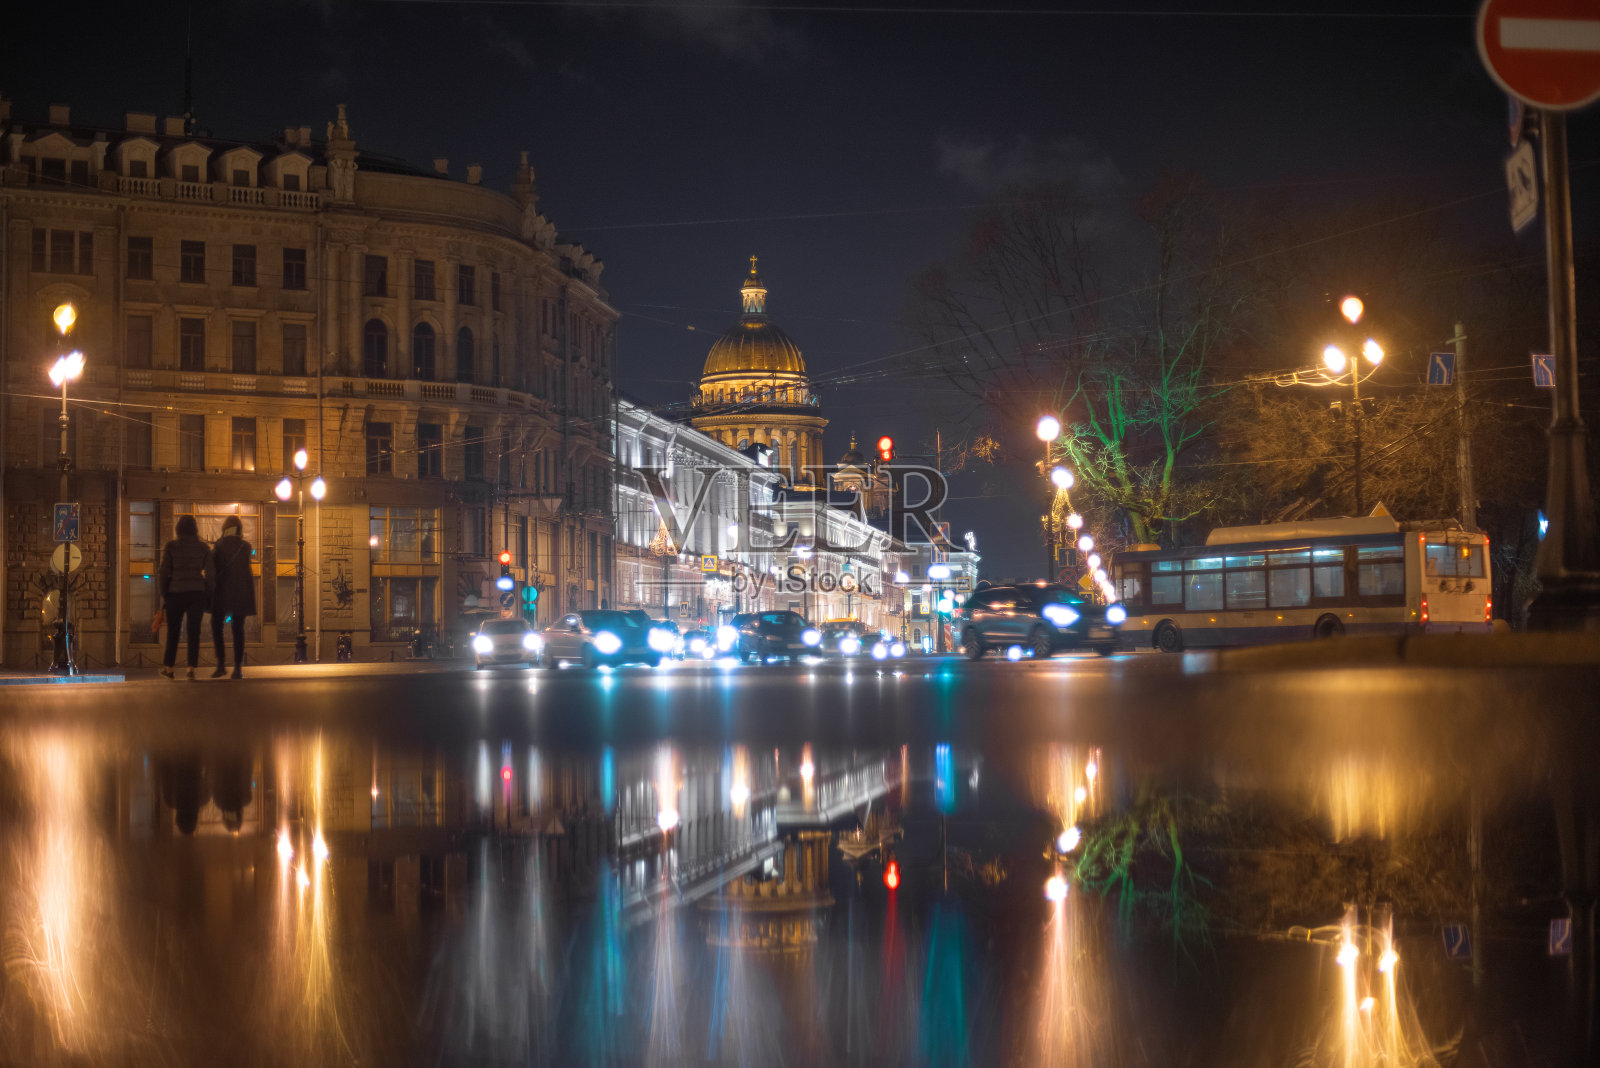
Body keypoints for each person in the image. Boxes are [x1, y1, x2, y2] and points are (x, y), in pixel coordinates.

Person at [158, 515, 213, 679]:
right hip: (196, 593)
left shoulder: (171, 546)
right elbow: (211, 573)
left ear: (178, 528)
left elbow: (163, 572)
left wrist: (164, 593)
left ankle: (169, 667)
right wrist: (207, 590)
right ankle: (191, 669)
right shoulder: (203, 548)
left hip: (175, 593)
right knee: (193, 631)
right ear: (195, 528)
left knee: (173, 631)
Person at [209, 515, 257, 678]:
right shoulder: (246, 547)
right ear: (240, 529)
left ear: (224, 528)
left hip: (221, 593)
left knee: (216, 626)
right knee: (238, 630)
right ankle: (237, 668)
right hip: (240, 594)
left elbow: (213, 568)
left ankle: (221, 664)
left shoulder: (219, 545)